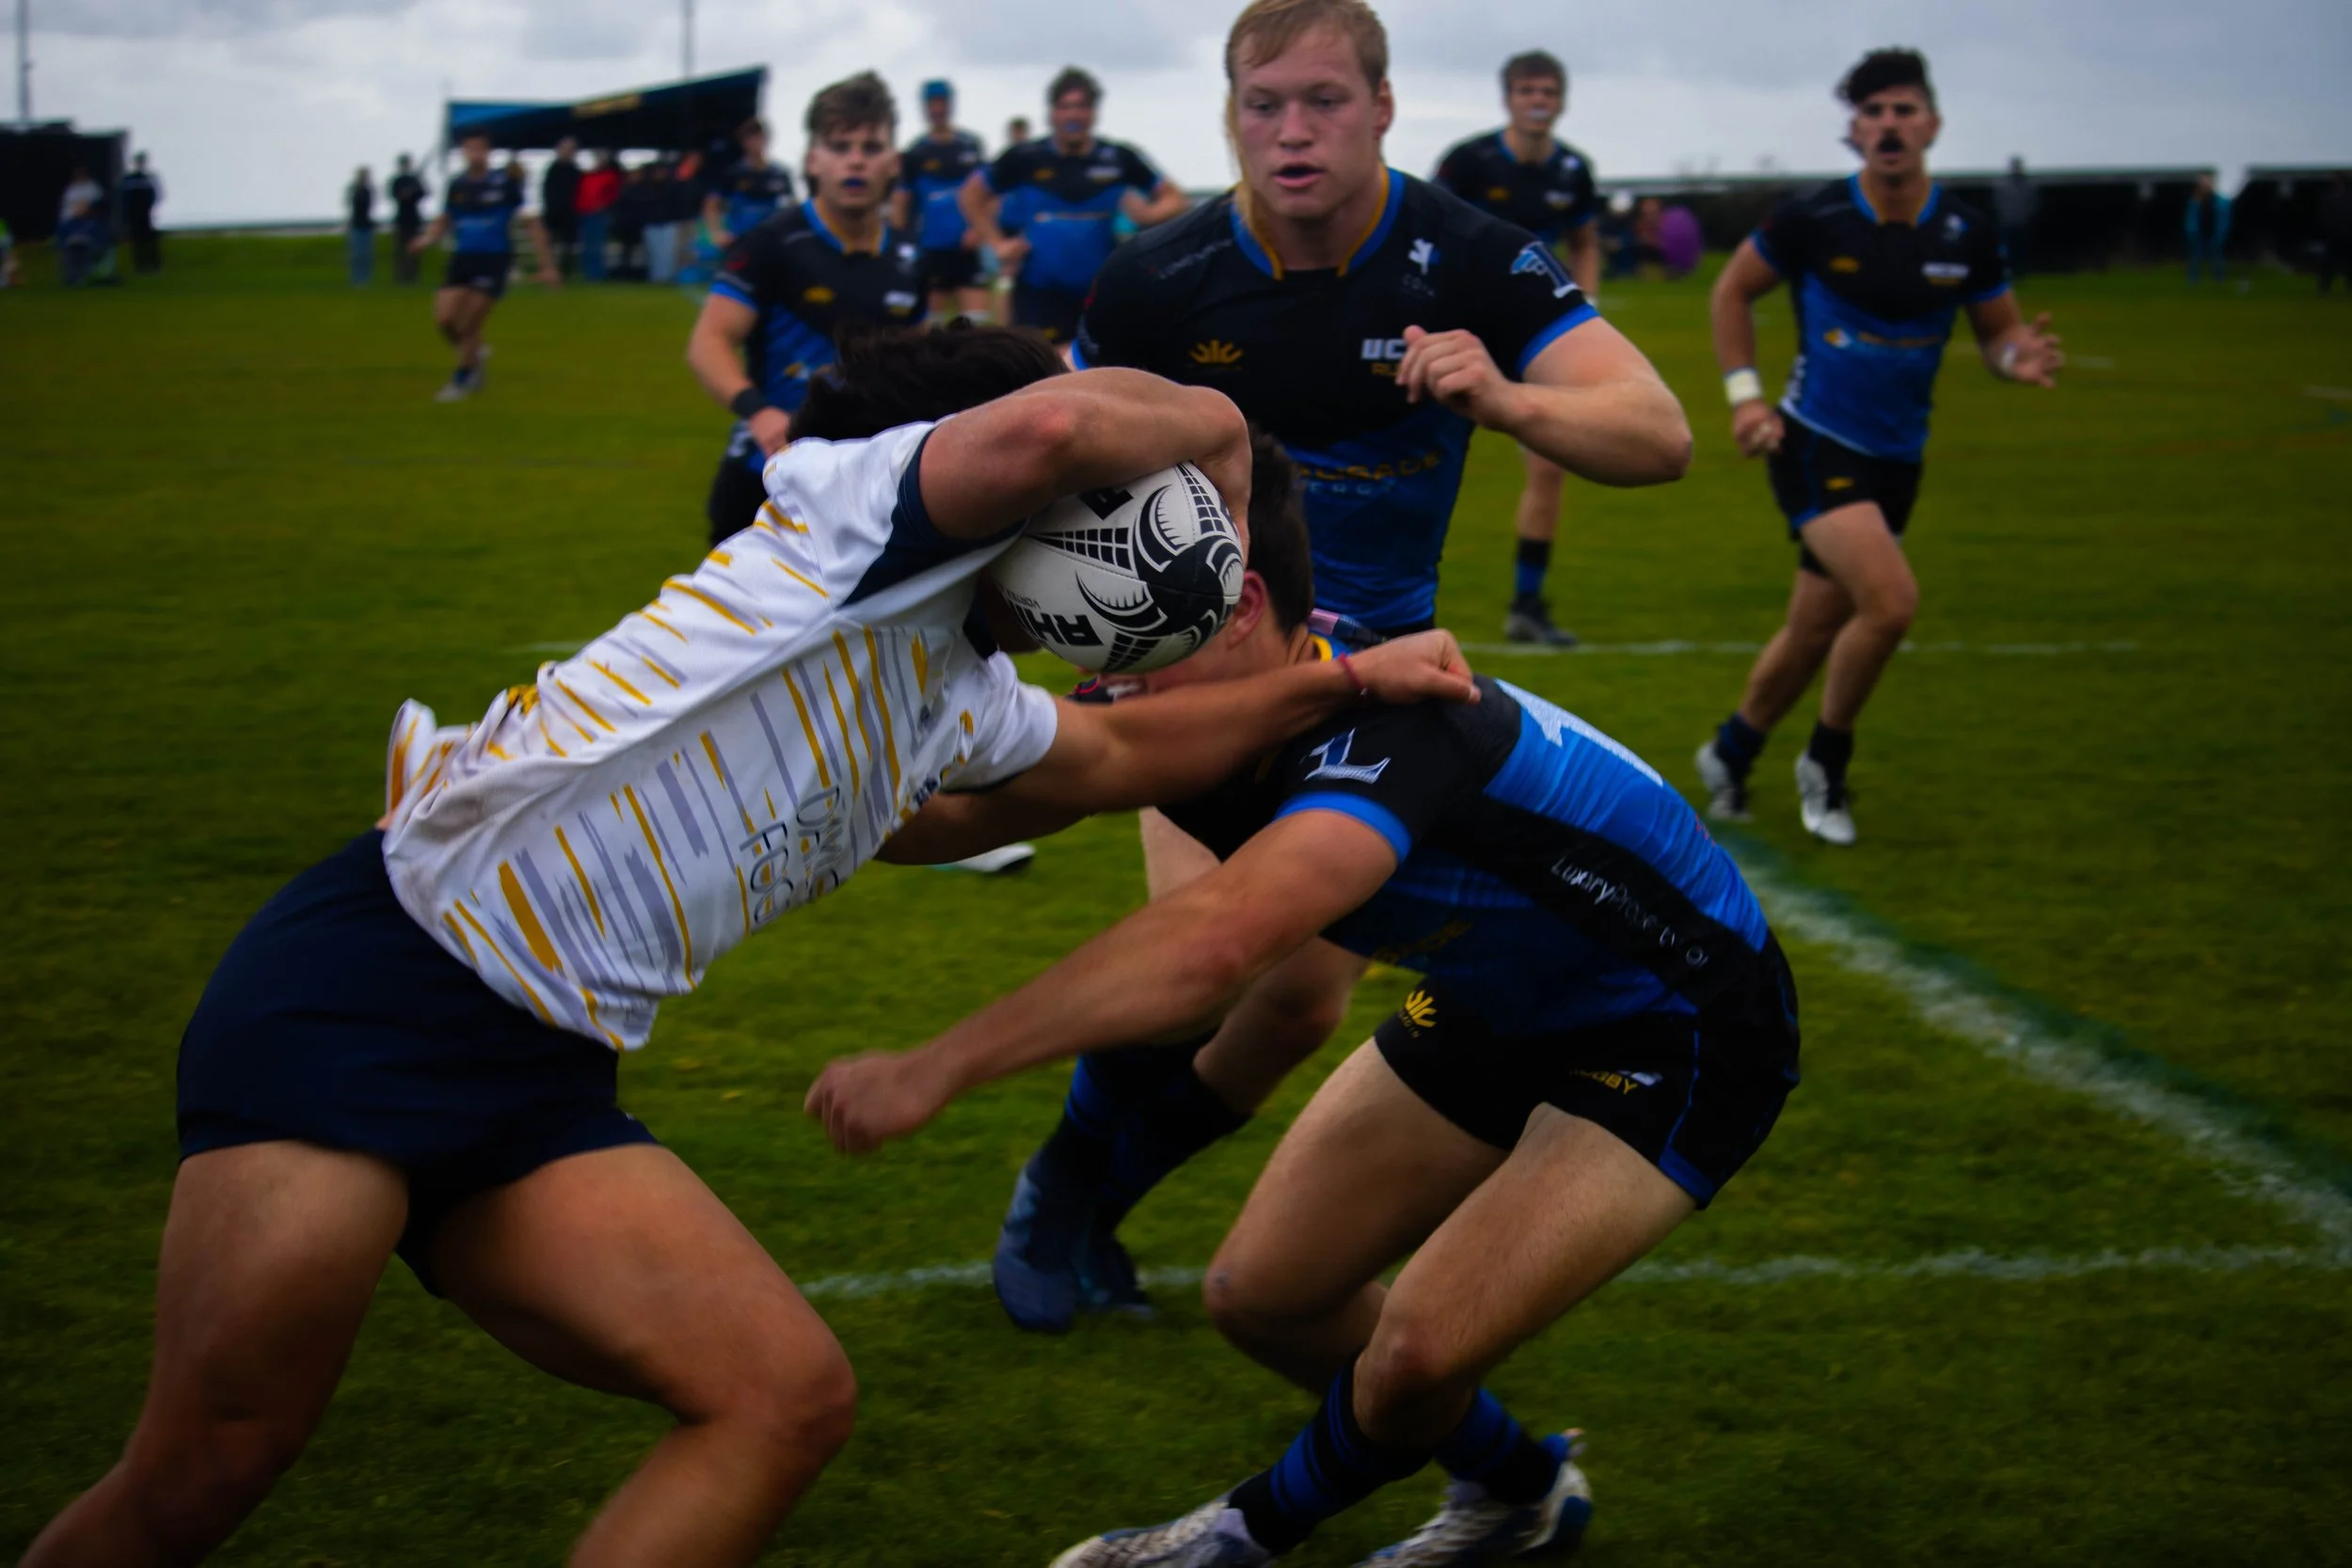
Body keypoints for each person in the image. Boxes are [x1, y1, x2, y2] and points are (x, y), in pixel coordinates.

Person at [16, 320, 1480, 1568]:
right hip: (378, 987)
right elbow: (1056, 425)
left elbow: (1107, 762)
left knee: (781, 1396)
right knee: (213, 1459)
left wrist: (1339, 683)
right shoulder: (859, 514)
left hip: (535, 1074)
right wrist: (1216, 439)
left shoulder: (961, 685)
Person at [804, 454, 1800, 1568]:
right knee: (1262, 1296)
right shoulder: (1175, 690)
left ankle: (1237, 1538)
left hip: (1682, 1026)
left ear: (1238, 605)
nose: (1100, 672)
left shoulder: (1393, 730)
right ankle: (1520, 1490)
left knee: (1416, 1349)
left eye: (1123, 628)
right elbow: (953, 819)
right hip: (1494, 1004)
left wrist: (938, 1062)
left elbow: (1215, 944)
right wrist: (803, 761)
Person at [993, 0, 1692, 1337]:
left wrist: (1505, 397)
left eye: (1324, 100)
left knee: (1296, 1006)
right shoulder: (1161, 278)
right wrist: (1083, 629)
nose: (1293, 131)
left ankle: (1098, 1193)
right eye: (1264, 105)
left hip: (1376, 681)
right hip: (1200, 670)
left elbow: (1656, 435)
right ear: (1230, 117)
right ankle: (1060, 1191)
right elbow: (1050, 455)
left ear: (1381, 107)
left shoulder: (1469, 257)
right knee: (1209, 959)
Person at [1693, 48, 2062, 846]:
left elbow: (1998, 334)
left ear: (1933, 124)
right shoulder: (1814, 217)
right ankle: (1825, 765)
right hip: (1815, 441)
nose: (1889, 126)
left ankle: (1731, 750)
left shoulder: (1966, 231)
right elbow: (1732, 290)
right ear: (1855, 131)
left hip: (1899, 458)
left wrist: (2015, 360)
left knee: (1814, 629)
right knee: (1890, 604)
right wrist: (1745, 396)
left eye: (1904, 110)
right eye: (1873, 113)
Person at [687, 71, 923, 546]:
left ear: (892, 163)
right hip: (769, 477)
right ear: (813, 159)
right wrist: (759, 413)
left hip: (871, 486)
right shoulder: (773, 243)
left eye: (871, 147)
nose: (856, 160)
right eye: (839, 146)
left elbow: (916, 364)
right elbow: (708, 343)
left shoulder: (908, 256)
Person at [1433, 49, 1604, 647]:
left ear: (1561, 102)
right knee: (1416, 462)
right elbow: (1427, 231)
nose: (1538, 102)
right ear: (1508, 99)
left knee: (1549, 468)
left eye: (1548, 92)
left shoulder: (1573, 171)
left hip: (1531, 336)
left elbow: (1585, 241)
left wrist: (1584, 307)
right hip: (1459, 334)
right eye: (1528, 91)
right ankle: (1375, 599)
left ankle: (1527, 607)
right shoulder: (1468, 162)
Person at [959, 66, 1188, 342]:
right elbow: (970, 195)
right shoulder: (1024, 157)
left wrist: (1149, 214)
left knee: (1106, 367)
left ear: (1094, 113)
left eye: (1082, 107)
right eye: (1065, 107)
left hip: (1101, 293)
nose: (1073, 115)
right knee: (1042, 367)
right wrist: (997, 244)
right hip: (1039, 293)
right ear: (1052, 114)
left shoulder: (1119, 157)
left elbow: (1176, 199)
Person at [408, 130, 560, 402]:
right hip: (462, 258)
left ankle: (461, 380)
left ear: (488, 152)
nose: (475, 154)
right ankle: (474, 355)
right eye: (470, 149)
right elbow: (445, 219)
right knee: (445, 320)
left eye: (480, 149)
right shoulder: (457, 185)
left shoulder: (506, 184)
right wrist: (427, 239)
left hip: (494, 260)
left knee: (469, 323)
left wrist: (546, 265)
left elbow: (532, 223)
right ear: (464, 153)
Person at [896, 79, 991, 322]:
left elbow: (988, 194)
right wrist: (902, 242)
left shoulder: (971, 145)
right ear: (924, 107)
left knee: (976, 322)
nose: (937, 109)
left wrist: (978, 230)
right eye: (932, 104)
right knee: (933, 327)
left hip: (966, 249)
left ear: (950, 104)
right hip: (931, 250)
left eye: (942, 102)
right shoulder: (915, 153)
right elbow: (902, 203)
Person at [703, 118, 796, 255]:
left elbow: (793, 205)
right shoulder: (733, 173)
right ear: (743, 142)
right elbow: (711, 204)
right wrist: (717, 233)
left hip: (773, 241)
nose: (755, 143)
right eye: (750, 139)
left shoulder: (780, 173)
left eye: (759, 138)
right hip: (742, 241)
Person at [56, 165, 106, 287]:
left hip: (87, 236)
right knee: (71, 251)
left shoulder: (92, 187)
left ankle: (85, 276)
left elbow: (99, 203)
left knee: (85, 250)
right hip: (72, 235)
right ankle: (73, 277)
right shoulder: (71, 190)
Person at [542, 136, 583, 278]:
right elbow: (547, 192)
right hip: (553, 213)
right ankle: (550, 271)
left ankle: (566, 272)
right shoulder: (552, 170)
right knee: (550, 244)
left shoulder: (576, 171)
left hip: (571, 214)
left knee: (569, 245)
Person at [577, 150, 621, 281]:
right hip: (585, 214)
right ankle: (588, 274)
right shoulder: (586, 177)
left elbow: (613, 195)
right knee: (587, 245)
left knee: (597, 245)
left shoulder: (609, 176)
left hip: (599, 215)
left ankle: (597, 274)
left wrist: (604, 206)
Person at [2185, 171, 2233, 284]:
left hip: (2213, 233)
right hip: (2199, 234)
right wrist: (2191, 232)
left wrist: (2221, 233)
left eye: (2207, 181)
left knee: (2217, 257)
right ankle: (2193, 280)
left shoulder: (2219, 201)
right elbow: (2190, 219)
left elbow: (2224, 218)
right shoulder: (2195, 201)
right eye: (2203, 182)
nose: (2205, 184)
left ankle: (2219, 279)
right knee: (2195, 257)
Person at [121, 150, 164, 273]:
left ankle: (153, 264)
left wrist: (151, 207)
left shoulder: (150, 177)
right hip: (133, 214)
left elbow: (156, 194)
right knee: (137, 241)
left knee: (149, 240)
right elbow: (124, 197)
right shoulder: (128, 179)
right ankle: (140, 265)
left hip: (146, 213)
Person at [1994, 155, 2036, 277]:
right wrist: (2005, 215)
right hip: (2007, 222)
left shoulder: (2029, 184)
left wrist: (2026, 216)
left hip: (2022, 221)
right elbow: (1997, 202)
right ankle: (2008, 270)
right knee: (2007, 248)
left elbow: (2033, 203)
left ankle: (2021, 271)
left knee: (2022, 248)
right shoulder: (2002, 184)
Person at [390, 153, 429, 283]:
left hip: (414, 218)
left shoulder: (415, 180)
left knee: (414, 247)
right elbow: (394, 195)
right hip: (402, 218)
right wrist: (403, 194)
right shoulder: (397, 181)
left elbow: (423, 193)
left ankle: (413, 275)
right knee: (400, 249)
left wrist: (413, 193)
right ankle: (401, 276)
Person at [2321, 172, 2352, 294]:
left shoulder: (2349, 199)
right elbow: (2323, 217)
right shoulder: (2329, 198)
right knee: (2329, 264)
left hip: (2347, 236)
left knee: (2349, 264)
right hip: (2333, 236)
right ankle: (2324, 287)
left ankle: (2349, 286)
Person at [345, 166, 376, 285]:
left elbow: (368, 206)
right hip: (357, 224)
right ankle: (356, 278)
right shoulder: (354, 190)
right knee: (357, 255)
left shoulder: (367, 190)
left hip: (365, 224)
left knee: (366, 255)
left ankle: (364, 279)